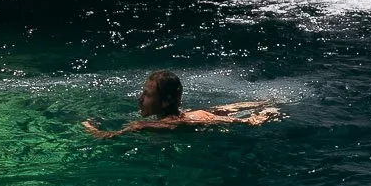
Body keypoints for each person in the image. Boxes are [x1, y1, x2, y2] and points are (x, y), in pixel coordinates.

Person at [81, 68, 280, 138]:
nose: (140, 99)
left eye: (147, 95)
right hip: (195, 114)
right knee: (216, 110)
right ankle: (264, 101)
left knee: (213, 114)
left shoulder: (163, 124)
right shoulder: (174, 117)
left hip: (197, 118)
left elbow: (106, 137)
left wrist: (87, 126)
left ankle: (266, 105)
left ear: (166, 101)